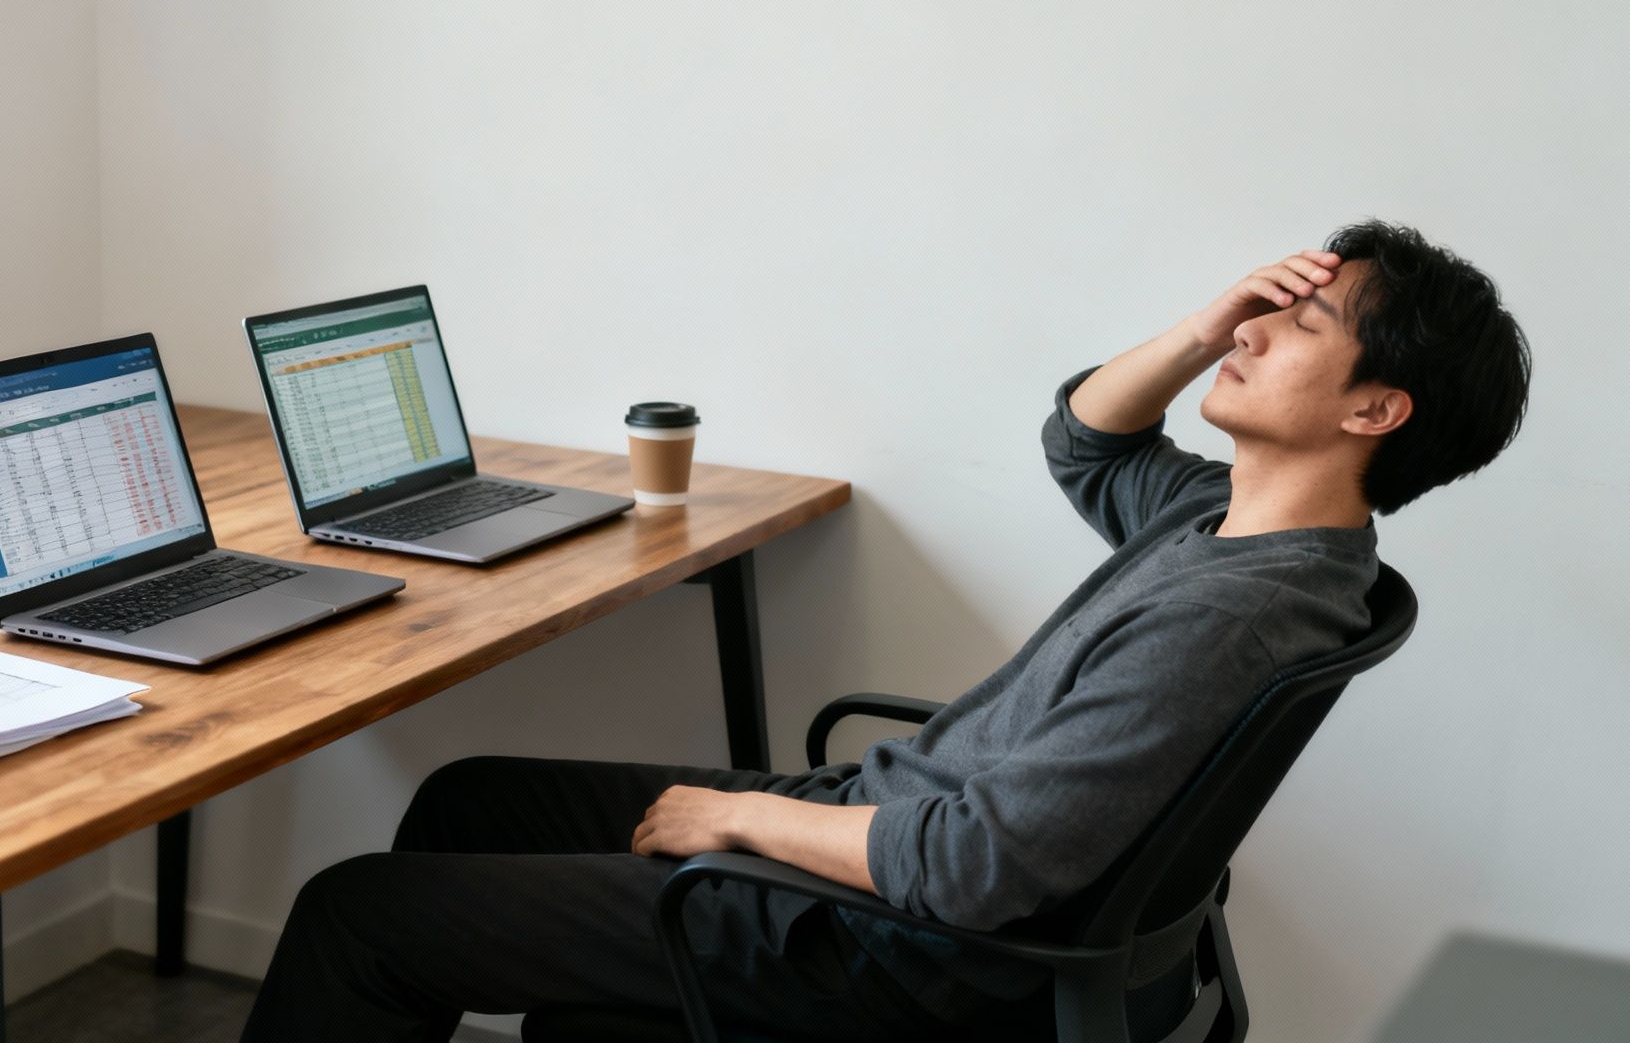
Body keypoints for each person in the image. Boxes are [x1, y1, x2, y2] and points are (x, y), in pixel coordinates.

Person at [239, 220, 1531, 1042]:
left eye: (1298, 326)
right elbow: (1087, 438)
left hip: (898, 944)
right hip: (892, 843)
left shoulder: (1230, 613)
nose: (1248, 328)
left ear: (1376, 411)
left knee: (361, 916)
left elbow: (975, 868)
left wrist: (739, 816)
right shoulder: (1232, 525)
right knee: (472, 800)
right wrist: (1204, 326)